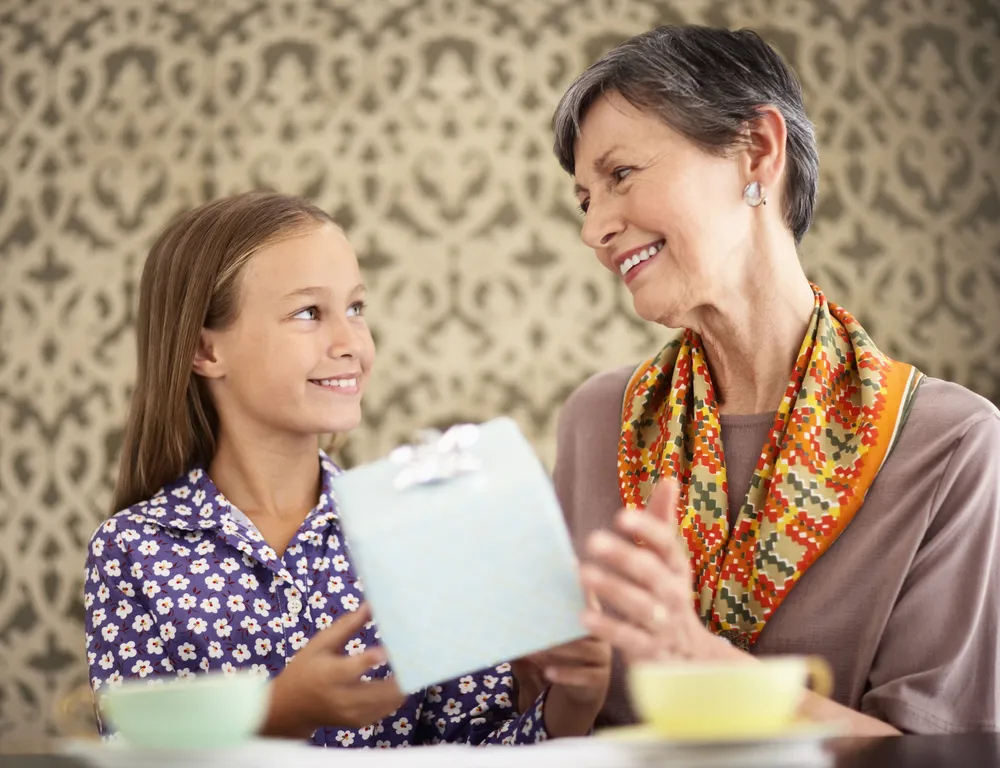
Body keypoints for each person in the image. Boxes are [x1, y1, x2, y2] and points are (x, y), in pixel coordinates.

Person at [548, 24, 1000, 736]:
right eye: (583, 200)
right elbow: (552, 723)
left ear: (757, 151)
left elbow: (943, 758)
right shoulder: (597, 420)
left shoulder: (953, 447)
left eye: (621, 175)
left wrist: (693, 654)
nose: (594, 228)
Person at [83, 192, 610, 747]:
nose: (351, 343)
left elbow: (473, 752)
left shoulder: (418, 530)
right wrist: (277, 713)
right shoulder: (132, 550)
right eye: (308, 313)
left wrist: (567, 705)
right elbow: (134, 754)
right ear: (205, 350)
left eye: (356, 309)